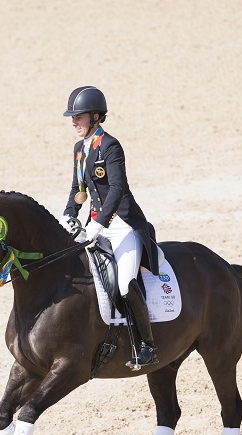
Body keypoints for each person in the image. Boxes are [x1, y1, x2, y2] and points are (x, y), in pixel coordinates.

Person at [59, 86, 159, 367]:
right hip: (95, 223)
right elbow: (78, 189)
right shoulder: (80, 149)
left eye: (78, 117)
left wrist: (98, 224)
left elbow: (116, 190)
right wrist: (69, 213)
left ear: (95, 116)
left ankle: (147, 345)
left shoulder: (110, 146)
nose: (73, 122)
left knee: (126, 284)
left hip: (123, 225)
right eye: (72, 117)